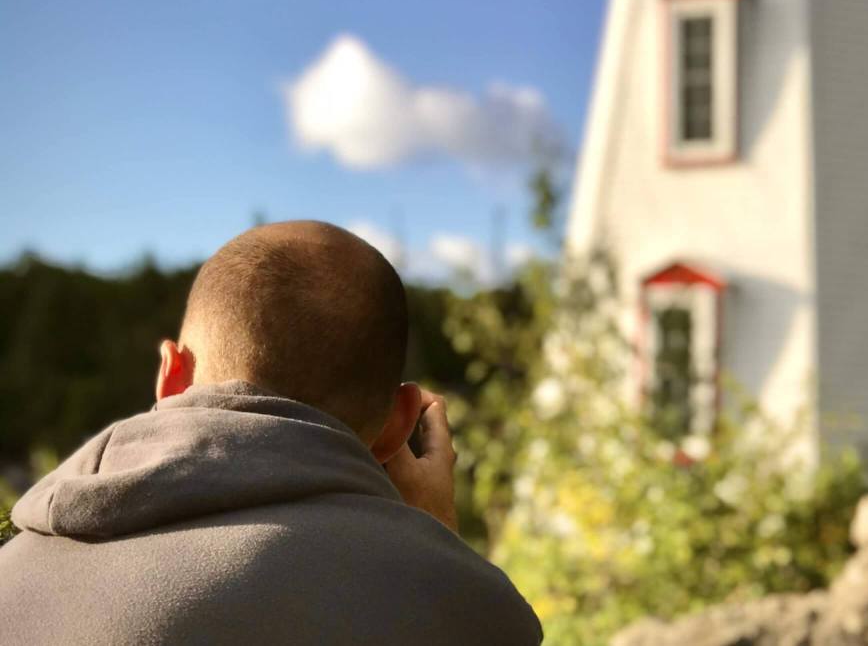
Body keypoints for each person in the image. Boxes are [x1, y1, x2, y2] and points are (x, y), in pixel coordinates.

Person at [0, 220, 543, 645]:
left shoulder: (12, 578)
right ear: (401, 422)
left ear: (171, 376)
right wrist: (436, 548)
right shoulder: (472, 615)